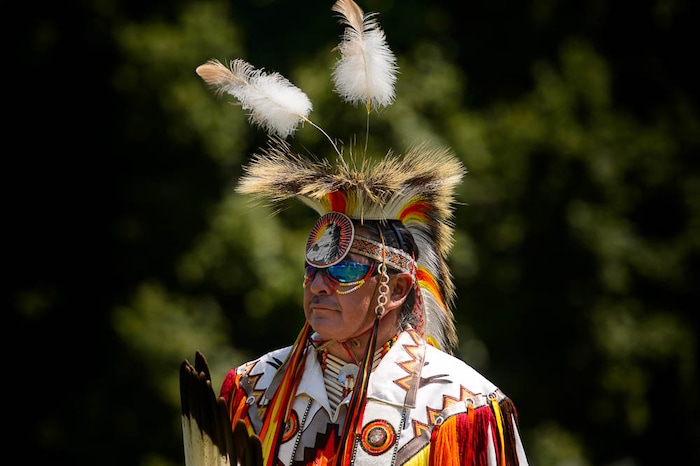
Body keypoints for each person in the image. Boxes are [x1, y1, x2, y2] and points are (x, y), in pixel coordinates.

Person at [181, 1, 529, 465]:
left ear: (399, 287)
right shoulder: (253, 390)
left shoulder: (461, 411)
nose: (319, 284)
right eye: (313, 268)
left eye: (344, 268)